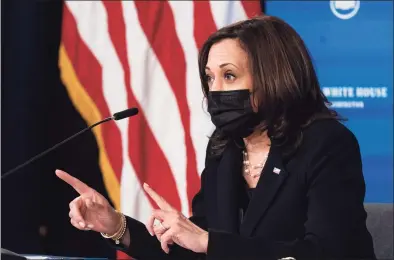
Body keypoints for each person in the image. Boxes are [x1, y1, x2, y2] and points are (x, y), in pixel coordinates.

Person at [56, 15, 376, 260]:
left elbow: (324, 252)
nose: (215, 91)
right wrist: (116, 226)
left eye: (229, 75)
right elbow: (198, 247)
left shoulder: (327, 143)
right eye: (210, 78)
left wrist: (207, 241)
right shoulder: (226, 147)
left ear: (273, 77)